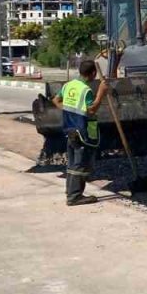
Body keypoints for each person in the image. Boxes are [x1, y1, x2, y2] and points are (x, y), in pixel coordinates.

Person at [53, 60, 109, 206]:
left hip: (69, 129)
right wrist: (101, 93)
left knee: (72, 163)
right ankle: (74, 197)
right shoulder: (86, 91)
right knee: (80, 164)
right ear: (93, 73)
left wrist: (69, 110)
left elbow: (56, 100)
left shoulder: (68, 85)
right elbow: (91, 110)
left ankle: (70, 191)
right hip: (82, 132)